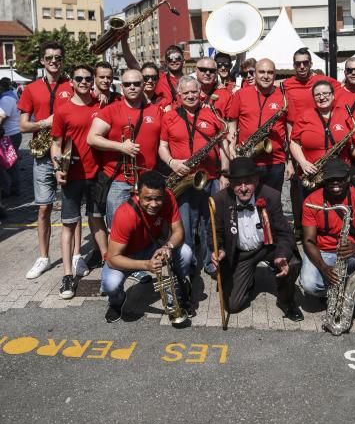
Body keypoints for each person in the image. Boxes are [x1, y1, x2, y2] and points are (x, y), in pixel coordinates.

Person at [87, 68, 163, 283]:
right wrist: (121, 147)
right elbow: (92, 138)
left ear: (143, 86)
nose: (132, 87)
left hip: (147, 181)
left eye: (136, 84)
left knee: (144, 225)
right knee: (118, 227)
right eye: (128, 84)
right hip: (120, 180)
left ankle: (137, 264)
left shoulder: (155, 110)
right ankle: (116, 267)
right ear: (121, 87)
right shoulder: (111, 110)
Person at [209, 157, 303, 321]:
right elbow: (214, 234)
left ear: (256, 181)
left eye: (248, 182)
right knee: (233, 306)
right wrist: (220, 250)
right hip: (240, 254)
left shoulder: (271, 196)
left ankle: (286, 301)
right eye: (238, 183)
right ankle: (248, 278)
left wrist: (281, 254)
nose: (243, 188)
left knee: (292, 261)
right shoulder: (220, 200)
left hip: (267, 247)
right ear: (231, 184)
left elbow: (285, 234)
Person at [158, 76, 230, 277]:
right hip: (183, 178)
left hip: (211, 178)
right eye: (185, 93)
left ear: (200, 93)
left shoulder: (211, 114)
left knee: (211, 223)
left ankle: (210, 262)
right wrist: (172, 162)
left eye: (194, 92)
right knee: (185, 225)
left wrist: (224, 174)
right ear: (179, 95)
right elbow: (162, 147)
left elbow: (222, 146)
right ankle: (187, 264)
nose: (190, 96)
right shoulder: (170, 116)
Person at [101, 170, 193, 323]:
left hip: (152, 247)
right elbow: (112, 259)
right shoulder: (125, 214)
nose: (154, 204)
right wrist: (146, 265)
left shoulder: (169, 197)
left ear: (164, 194)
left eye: (158, 199)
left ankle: (179, 291)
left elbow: (178, 232)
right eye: (148, 199)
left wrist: (168, 247)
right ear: (137, 194)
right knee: (111, 285)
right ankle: (117, 302)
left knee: (186, 252)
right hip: (126, 256)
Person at [50, 65, 108, 298]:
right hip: (72, 175)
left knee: (97, 220)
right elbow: (56, 144)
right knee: (69, 224)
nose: (83, 82)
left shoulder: (100, 104)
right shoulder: (63, 110)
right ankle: (67, 275)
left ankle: (108, 263)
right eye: (79, 78)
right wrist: (57, 169)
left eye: (87, 78)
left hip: (96, 175)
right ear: (71, 82)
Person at [18, 41, 74, 279]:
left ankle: (76, 257)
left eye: (58, 58)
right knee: (43, 209)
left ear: (62, 61)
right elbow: (23, 125)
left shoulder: (72, 85)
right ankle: (43, 257)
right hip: (42, 155)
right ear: (42, 60)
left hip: (69, 152)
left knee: (71, 208)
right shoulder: (31, 89)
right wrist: (45, 123)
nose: (54, 61)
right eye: (49, 57)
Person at [300, 159, 355, 319]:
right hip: (322, 252)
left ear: (348, 179)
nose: (335, 183)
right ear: (324, 180)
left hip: (351, 252)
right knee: (309, 284)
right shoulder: (312, 201)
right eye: (330, 179)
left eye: (340, 179)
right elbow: (308, 241)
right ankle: (334, 292)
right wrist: (324, 268)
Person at [283, 48, 338, 232]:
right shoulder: (286, 84)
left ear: (311, 64)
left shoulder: (323, 82)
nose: (302, 66)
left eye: (305, 62)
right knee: (299, 189)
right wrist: (292, 160)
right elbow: (290, 122)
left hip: (322, 141)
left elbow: (347, 85)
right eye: (298, 63)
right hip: (299, 144)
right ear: (293, 66)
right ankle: (301, 226)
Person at [228, 58, 287, 192]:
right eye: (261, 72)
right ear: (255, 74)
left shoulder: (283, 96)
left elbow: (289, 130)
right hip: (246, 159)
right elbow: (232, 124)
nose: (266, 76)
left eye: (270, 72)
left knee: (273, 203)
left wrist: (289, 163)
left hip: (275, 162)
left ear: (275, 75)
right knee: (247, 204)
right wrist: (231, 146)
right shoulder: (240, 94)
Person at [290, 80, 355, 193]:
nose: (322, 97)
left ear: (333, 95)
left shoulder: (344, 114)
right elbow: (294, 142)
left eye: (326, 93)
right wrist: (303, 162)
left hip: (340, 173)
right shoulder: (304, 116)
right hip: (313, 174)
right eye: (317, 95)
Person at [0, 77, 22, 196]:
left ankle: (9, 188)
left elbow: (2, 117)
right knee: (11, 163)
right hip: (12, 134)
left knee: (8, 164)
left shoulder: (6, 99)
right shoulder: (10, 96)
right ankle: (13, 188)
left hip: (9, 135)